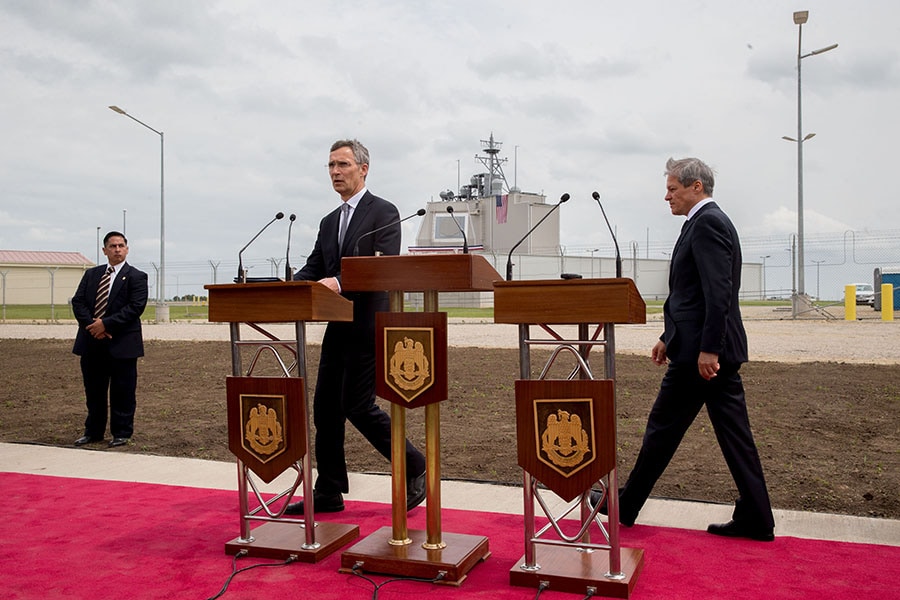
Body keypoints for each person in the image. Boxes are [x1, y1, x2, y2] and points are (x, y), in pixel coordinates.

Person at [593, 157, 775, 541]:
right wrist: (668, 338)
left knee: (662, 430)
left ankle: (626, 506)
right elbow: (691, 296)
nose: (666, 196)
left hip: (702, 357)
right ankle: (757, 516)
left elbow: (718, 291)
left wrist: (709, 349)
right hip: (696, 349)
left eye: (672, 188)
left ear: (696, 187)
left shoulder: (708, 222)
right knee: (729, 435)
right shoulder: (703, 222)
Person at [286, 139, 426, 514]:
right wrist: (291, 286)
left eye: (343, 165)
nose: (335, 172)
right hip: (337, 323)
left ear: (363, 169)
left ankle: (414, 465)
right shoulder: (329, 221)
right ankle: (329, 491)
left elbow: (381, 267)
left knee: (358, 406)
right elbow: (316, 267)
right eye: (331, 165)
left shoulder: (385, 213)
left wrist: (340, 282)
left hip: (368, 323)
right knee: (325, 409)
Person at [71, 231, 148, 448]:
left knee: (122, 391)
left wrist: (105, 324)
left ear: (127, 249)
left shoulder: (137, 277)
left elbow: (135, 308)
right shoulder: (91, 275)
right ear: (104, 250)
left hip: (121, 344)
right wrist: (93, 326)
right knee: (94, 391)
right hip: (92, 342)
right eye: (112, 246)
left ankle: (121, 433)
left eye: (121, 245)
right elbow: (78, 303)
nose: (117, 250)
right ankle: (93, 432)